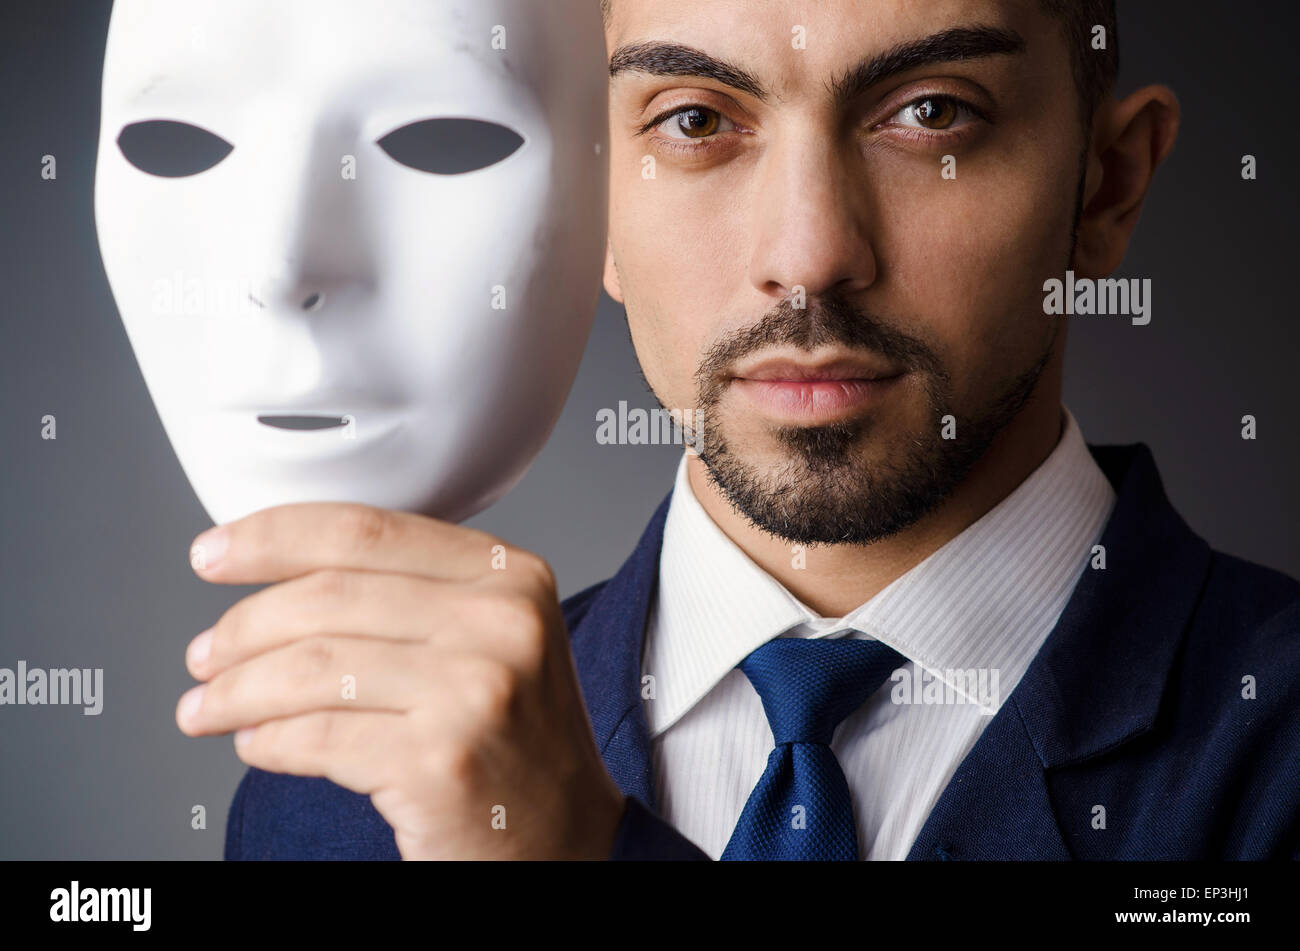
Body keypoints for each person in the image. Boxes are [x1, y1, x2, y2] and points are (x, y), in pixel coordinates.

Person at [205, 0, 1300, 860]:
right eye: (694, 120)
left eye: (931, 113)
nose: (809, 254)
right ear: (583, 197)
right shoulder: (336, 801)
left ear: (1105, 188)